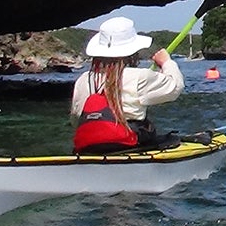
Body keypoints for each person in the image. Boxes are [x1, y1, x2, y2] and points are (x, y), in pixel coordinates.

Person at [71, 17, 184, 152]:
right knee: (166, 137)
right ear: (132, 53)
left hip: (88, 147)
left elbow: (76, 118)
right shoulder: (139, 77)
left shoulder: (83, 79)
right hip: (127, 145)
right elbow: (175, 87)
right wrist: (166, 62)